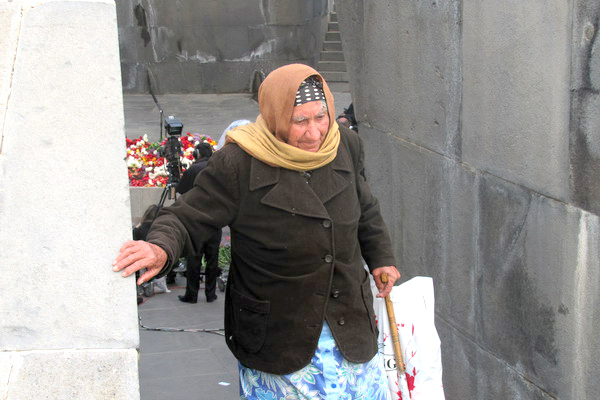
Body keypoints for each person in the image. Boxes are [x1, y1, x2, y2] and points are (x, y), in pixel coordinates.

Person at [113, 64, 400, 399]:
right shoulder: (239, 163)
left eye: (321, 117)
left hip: (347, 326)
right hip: (279, 335)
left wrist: (381, 257)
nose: (314, 133)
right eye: (299, 121)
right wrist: (159, 247)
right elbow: (187, 216)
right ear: (276, 116)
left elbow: (365, 207)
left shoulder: (344, 145)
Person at [175, 141, 223, 303]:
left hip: (195, 222)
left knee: (194, 259)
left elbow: (181, 192)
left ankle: (192, 294)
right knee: (212, 260)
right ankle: (211, 294)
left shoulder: (193, 169)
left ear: (197, 154)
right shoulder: (219, 169)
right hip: (215, 221)